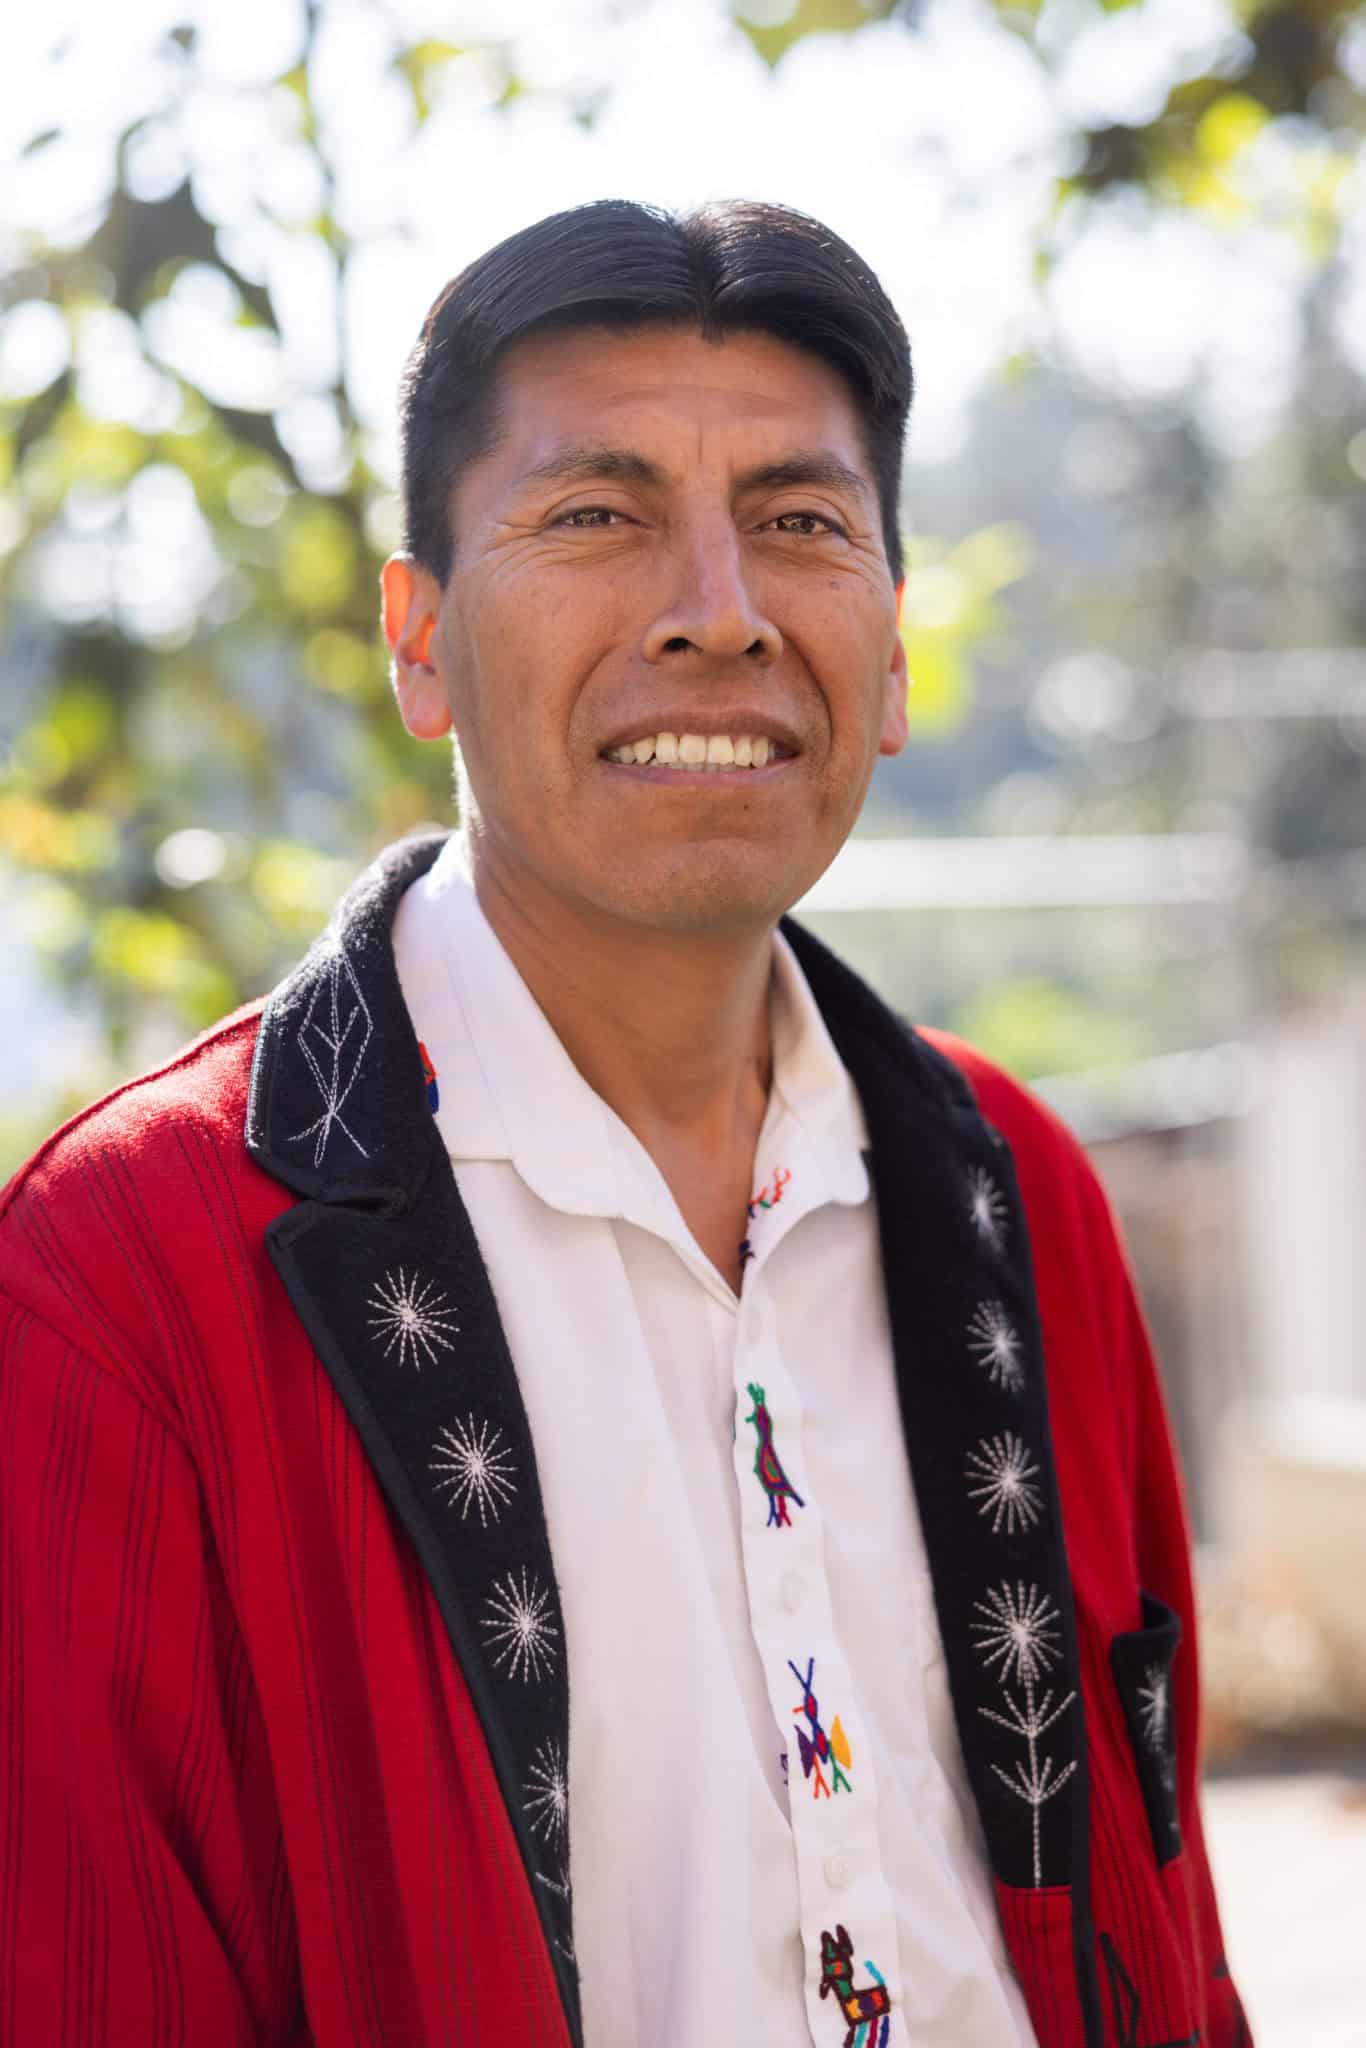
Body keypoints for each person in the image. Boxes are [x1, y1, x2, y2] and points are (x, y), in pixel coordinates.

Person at [0, 200, 1250, 2048]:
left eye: (800, 522)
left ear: (891, 651)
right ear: (419, 641)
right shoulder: (125, 1282)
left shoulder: (1014, 1202)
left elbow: (1158, 1940)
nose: (718, 612)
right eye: (594, 516)